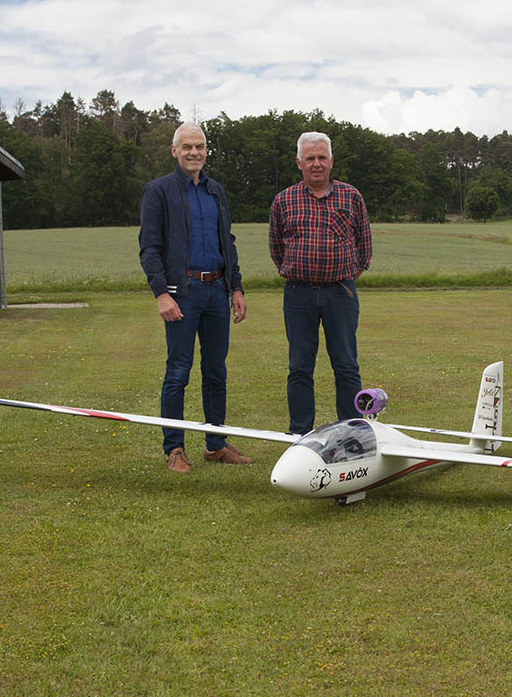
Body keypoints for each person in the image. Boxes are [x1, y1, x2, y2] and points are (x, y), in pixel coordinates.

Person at [139, 122, 252, 474]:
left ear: (206, 151)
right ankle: (174, 447)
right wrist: (161, 293)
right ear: (175, 151)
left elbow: (226, 242)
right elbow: (149, 248)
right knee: (178, 371)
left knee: (216, 371)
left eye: (199, 147)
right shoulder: (158, 191)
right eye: (187, 147)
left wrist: (236, 287)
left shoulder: (215, 191)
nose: (194, 152)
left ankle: (215, 444)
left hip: (217, 291)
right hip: (182, 294)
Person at [269, 131, 372, 435]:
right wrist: (301, 273)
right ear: (299, 162)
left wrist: (341, 277)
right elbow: (277, 249)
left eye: (322, 157)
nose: (316, 164)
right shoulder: (284, 200)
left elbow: (364, 250)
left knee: (346, 365)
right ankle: (300, 434)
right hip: (298, 295)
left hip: (340, 293)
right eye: (310, 158)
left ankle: (352, 434)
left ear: (331, 161)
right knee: (300, 367)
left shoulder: (351, 196)